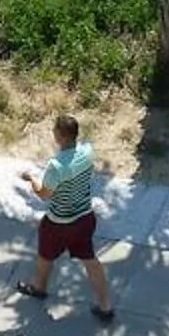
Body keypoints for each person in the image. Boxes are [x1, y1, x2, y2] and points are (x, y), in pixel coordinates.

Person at [16, 115, 114, 322]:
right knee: (90, 261)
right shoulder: (87, 151)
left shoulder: (57, 165)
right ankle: (105, 305)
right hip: (85, 218)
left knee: (45, 256)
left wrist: (31, 178)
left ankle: (39, 288)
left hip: (58, 223)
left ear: (59, 135)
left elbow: (45, 194)